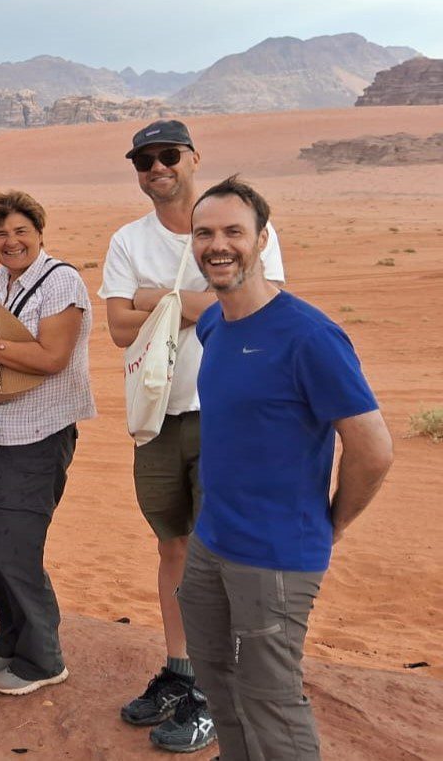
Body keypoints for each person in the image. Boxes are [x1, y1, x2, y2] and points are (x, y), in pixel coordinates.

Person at [180, 176, 391, 760]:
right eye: (204, 233)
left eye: (233, 232)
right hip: (212, 541)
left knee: (271, 696)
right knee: (216, 679)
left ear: (262, 239)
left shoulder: (309, 336)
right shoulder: (217, 323)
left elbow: (373, 448)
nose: (218, 245)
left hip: (274, 555)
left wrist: (330, 524)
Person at [99, 121, 285, 751]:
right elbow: (120, 328)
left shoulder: (239, 226)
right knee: (173, 549)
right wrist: (197, 297)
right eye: (144, 160)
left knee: (220, 557)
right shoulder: (128, 239)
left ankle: (214, 692)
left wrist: (161, 298)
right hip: (157, 419)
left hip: (226, 414)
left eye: (168, 155)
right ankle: (182, 673)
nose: (157, 167)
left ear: (193, 158)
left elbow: (260, 303)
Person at [0, 190, 95, 696]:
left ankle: (43, 658)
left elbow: (52, 357)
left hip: (40, 432)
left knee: (16, 545)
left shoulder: (63, 283)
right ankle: (10, 643)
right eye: (0, 233)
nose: (10, 241)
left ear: (39, 231)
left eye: (20, 231)